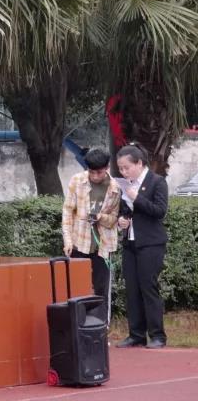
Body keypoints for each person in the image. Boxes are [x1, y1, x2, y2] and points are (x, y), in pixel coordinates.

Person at [115, 145, 169, 349]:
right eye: (120, 168)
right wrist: (122, 219)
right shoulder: (125, 184)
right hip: (130, 241)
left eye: (127, 167)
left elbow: (159, 211)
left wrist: (137, 198)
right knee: (132, 289)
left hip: (151, 243)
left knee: (148, 287)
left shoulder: (157, 181)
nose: (123, 172)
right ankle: (136, 334)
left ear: (139, 163)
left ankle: (157, 335)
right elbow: (125, 211)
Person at [61, 148, 121, 301]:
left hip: (103, 245)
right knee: (76, 289)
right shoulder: (77, 181)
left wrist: (101, 217)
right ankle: (79, 317)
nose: (95, 176)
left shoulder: (115, 188)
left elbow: (114, 219)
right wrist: (68, 240)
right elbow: (68, 211)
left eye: (99, 172)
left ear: (107, 168)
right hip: (78, 243)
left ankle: (101, 317)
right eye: (91, 172)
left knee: (101, 290)